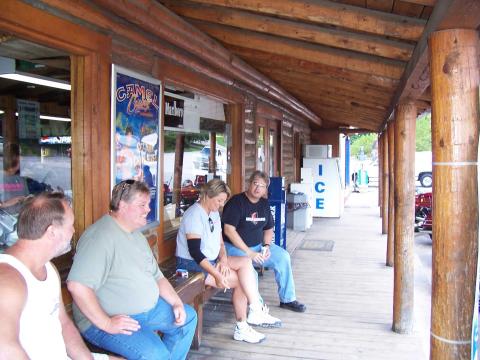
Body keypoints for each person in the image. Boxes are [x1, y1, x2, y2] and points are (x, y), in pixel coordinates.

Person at [67, 180, 197, 360]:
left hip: (148, 310)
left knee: (187, 318)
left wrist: (176, 303)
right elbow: (77, 286)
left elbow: (157, 276)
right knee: (154, 354)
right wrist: (107, 323)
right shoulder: (99, 238)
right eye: (142, 205)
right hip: (108, 319)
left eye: (148, 204)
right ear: (122, 205)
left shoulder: (135, 233)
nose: (148, 209)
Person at [0, 192, 118, 359]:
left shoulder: (48, 268)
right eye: (70, 225)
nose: (74, 230)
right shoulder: (8, 279)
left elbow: (63, 324)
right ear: (52, 232)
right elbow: (5, 349)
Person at [176, 179, 281, 344]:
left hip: (210, 260)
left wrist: (223, 260)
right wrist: (216, 273)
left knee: (245, 262)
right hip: (192, 265)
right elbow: (195, 253)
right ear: (207, 195)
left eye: (223, 202)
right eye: (218, 201)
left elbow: (220, 243)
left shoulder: (214, 213)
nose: (220, 205)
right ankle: (242, 326)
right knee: (241, 281)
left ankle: (254, 308)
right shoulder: (194, 215)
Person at [222, 171, 307, 313]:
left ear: (265, 189)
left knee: (283, 256)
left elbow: (269, 229)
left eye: (262, 186)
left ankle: (287, 299)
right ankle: (257, 307)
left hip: (257, 247)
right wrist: (248, 252)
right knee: (249, 270)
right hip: (234, 248)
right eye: (255, 183)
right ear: (249, 183)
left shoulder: (264, 204)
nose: (258, 188)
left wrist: (266, 246)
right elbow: (229, 230)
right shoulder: (236, 202)